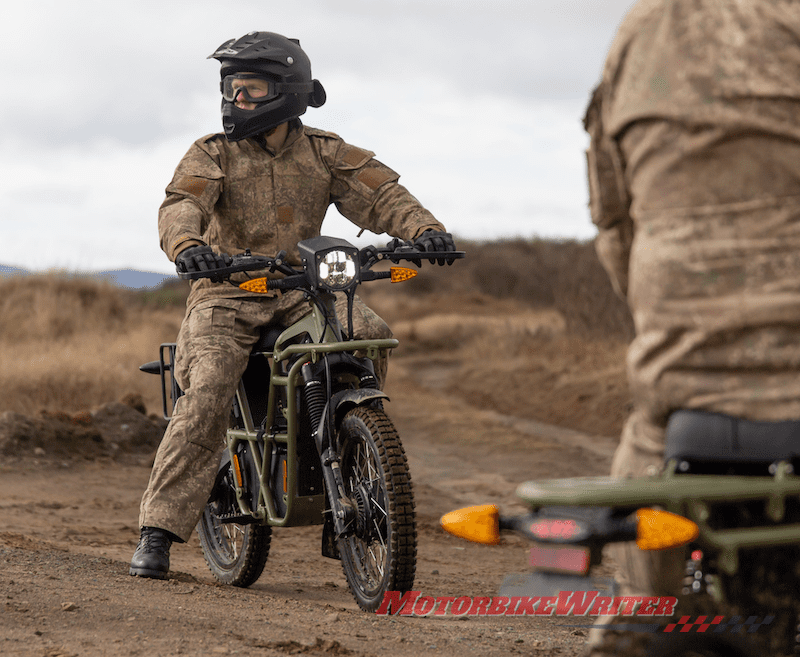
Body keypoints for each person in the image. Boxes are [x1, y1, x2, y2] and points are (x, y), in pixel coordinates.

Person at [129, 31, 456, 579]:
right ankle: (157, 530)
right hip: (226, 295)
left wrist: (426, 230)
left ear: (287, 91)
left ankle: (348, 473)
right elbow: (181, 202)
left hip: (306, 289)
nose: (237, 101)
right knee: (207, 387)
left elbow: (381, 195)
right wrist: (188, 247)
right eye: (231, 89)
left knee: (366, 335)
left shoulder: (326, 151)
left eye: (250, 90)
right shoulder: (213, 152)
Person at [583, 1, 800, 654]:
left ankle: (644, 611)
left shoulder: (639, 34)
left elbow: (614, 222)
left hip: (683, 380)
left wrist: (668, 325)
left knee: (647, 455)